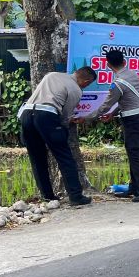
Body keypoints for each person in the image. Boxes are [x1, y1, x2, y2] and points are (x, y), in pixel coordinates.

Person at [86, 49, 139, 202]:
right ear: (124, 61)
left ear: (108, 64)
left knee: (136, 157)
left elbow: (104, 106)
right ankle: (134, 188)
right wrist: (113, 113)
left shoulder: (117, 84)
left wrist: (86, 117)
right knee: (135, 155)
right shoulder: (133, 75)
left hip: (132, 121)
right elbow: (130, 99)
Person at [18, 67, 96, 206]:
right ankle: (76, 196)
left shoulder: (51, 74)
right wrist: (70, 121)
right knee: (65, 157)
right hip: (46, 116)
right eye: (88, 84)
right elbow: (65, 116)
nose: (86, 86)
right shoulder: (76, 90)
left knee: (37, 159)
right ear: (86, 80)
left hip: (26, 114)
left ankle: (48, 196)